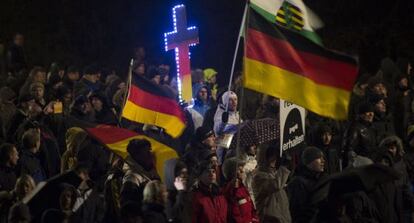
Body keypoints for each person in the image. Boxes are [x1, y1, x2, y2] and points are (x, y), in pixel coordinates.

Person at [287, 146, 327, 223]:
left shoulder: (319, 179)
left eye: (323, 157)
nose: (323, 161)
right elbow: (298, 212)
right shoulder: (298, 182)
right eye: (318, 158)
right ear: (309, 161)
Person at [253, 146, 291, 223]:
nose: (275, 160)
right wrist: (284, 167)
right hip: (270, 219)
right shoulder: (259, 176)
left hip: (281, 218)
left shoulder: (274, 173)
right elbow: (276, 185)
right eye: (273, 157)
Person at [120, 139, 159, 208]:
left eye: (149, 151)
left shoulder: (151, 170)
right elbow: (127, 203)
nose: (150, 155)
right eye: (146, 153)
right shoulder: (132, 176)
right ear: (137, 156)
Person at [222, 157, 258, 223]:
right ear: (232, 172)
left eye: (242, 167)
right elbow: (233, 213)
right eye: (239, 168)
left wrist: (254, 219)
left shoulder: (242, 187)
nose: (242, 171)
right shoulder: (231, 190)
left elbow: (251, 209)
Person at [342, 101, 376, 166]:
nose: (371, 114)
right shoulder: (355, 128)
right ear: (361, 114)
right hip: (362, 165)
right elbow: (349, 149)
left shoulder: (371, 128)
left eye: (372, 111)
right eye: (368, 111)